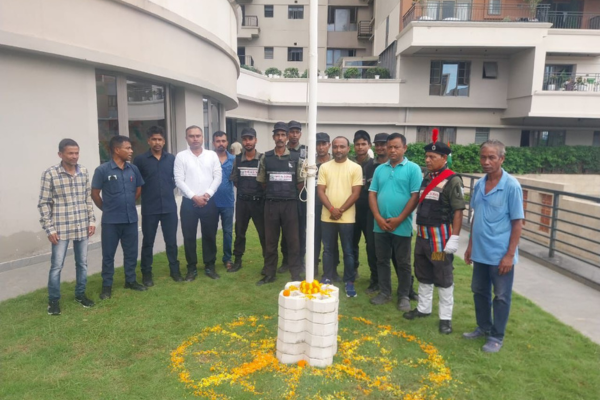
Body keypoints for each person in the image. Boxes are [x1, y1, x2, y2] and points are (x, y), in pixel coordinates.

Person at [463, 140, 524, 353]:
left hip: (500, 255)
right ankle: (483, 327)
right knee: (479, 291)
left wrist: (509, 255)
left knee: (501, 296)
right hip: (480, 252)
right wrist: (470, 246)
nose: (486, 162)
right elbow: (475, 217)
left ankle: (496, 336)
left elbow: (518, 223)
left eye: (492, 157)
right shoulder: (479, 184)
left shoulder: (511, 186)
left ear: (502, 159)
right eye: (483, 157)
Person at [403, 134, 466, 335]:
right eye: (427, 156)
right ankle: (423, 308)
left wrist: (454, 238)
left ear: (443, 158)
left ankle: (445, 318)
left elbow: (458, 211)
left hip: (439, 240)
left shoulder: (452, 180)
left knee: (442, 276)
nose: (427, 160)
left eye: (432, 157)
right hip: (422, 238)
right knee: (423, 273)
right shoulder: (427, 178)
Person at [38, 139, 96, 315]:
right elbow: (44, 203)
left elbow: (87, 198)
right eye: (70, 153)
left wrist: (91, 220)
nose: (74, 156)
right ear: (60, 154)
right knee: (56, 266)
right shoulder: (50, 174)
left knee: (82, 263)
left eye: (77, 153)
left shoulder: (84, 171)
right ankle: (53, 301)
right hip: (60, 228)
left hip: (81, 225)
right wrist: (50, 229)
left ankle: (80, 295)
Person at [368, 133, 422, 311]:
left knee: (403, 262)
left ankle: (404, 295)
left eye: (396, 147)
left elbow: (415, 197)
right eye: (389, 146)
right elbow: (372, 194)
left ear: (404, 148)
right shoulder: (379, 169)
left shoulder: (413, 169)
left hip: (402, 225)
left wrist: (399, 219)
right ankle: (385, 292)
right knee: (382, 260)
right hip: (380, 224)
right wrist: (377, 217)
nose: (392, 150)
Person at [91, 135, 146, 300]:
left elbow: (138, 189)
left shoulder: (133, 169)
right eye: (127, 148)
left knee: (131, 253)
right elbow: (95, 193)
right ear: (116, 149)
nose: (131, 151)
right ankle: (106, 286)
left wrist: (128, 202)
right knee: (108, 255)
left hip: (130, 219)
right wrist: (106, 208)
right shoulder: (103, 170)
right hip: (111, 221)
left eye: (131, 148)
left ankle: (130, 281)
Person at [257, 121, 304, 285]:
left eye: (283, 134)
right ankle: (270, 273)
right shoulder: (266, 157)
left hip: (290, 204)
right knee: (270, 242)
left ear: (287, 137)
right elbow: (262, 181)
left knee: (293, 242)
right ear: (273, 137)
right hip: (271, 204)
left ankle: (296, 274)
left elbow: (300, 183)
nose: (280, 138)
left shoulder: (295, 158)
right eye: (277, 134)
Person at [133, 126, 182, 285]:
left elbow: (177, 179)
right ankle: (146, 274)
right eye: (154, 139)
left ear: (164, 141)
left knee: (171, 241)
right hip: (150, 208)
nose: (157, 142)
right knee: (148, 241)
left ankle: (175, 271)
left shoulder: (172, 159)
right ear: (149, 141)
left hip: (169, 207)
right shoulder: (140, 160)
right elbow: (137, 183)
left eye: (160, 139)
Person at [174, 126, 222, 282]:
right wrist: (194, 196)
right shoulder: (181, 157)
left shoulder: (212, 155)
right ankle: (191, 268)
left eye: (198, 136)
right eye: (191, 136)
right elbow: (179, 180)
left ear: (203, 138)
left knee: (209, 235)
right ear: (186, 138)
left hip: (209, 202)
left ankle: (210, 266)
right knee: (189, 236)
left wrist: (207, 194)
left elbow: (218, 177)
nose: (195, 138)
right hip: (189, 203)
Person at [317, 137, 363, 297]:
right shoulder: (324, 167)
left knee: (348, 251)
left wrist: (340, 210)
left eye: (342, 147)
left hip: (347, 218)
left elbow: (356, 193)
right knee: (328, 250)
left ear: (348, 148)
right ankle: (327, 277)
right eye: (335, 147)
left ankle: (349, 281)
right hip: (327, 216)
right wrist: (331, 208)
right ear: (332, 148)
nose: (338, 150)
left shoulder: (355, 168)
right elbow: (321, 191)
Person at [229, 127, 266, 273]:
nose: (247, 142)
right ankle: (237, 261)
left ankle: (267, 262)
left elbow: (265, 182)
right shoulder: (237, 159)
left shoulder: (263, 158)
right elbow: (235, 180)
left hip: (259, 202)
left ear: (255, 140)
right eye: (245, 139)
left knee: (264, 234)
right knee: (239, 232)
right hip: (242, 202)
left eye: (250, 139)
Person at [278, 120, 307, 273]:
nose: (294, 135)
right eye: (292, 132)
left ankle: (300, 260)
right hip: (284, 197)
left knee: (300, 232)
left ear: (300, 134)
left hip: (300, 198)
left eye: (297, 132)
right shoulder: (281, 150)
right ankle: (286, 261)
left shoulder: (306, 151)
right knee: (285, 231)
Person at [313, 132, 340, 279]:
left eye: (324, 143)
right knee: (314, 238)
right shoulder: (310, 163)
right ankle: (314, 267)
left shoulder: (336, 162)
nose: (321, 147)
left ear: (329, 145)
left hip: (332, 207)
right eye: (318, 144)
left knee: (332, 241)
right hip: (315, 207)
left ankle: (332, 270)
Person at [212, 131, 236, 270]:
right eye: (218, 141)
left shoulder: (233, 159)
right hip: (211, 202)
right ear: (213, 143)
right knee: (211, 232)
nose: (221, 143)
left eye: (223, 141)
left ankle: (228, 258)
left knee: (227, 231)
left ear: (227, 142)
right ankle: (211, 259)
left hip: (227, 202)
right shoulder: (208, 159)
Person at [351, 130, 372, 277]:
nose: (360, 147)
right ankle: (353, 269)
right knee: (352, 242)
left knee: (371, 244)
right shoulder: (349, 163)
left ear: (369, 145)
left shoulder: (375, 165)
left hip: (369, 210)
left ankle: (374, 274)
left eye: (363, 144)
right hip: (351, 209)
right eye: (357, 144)